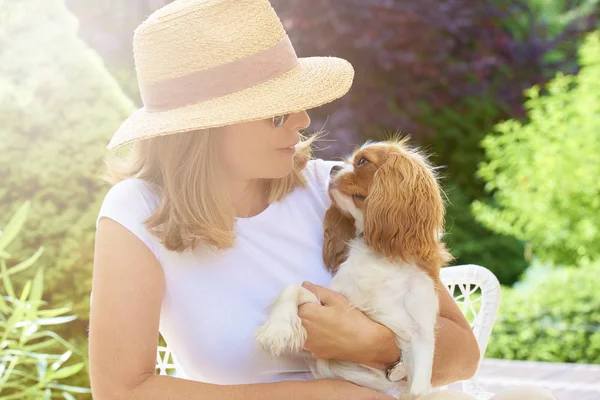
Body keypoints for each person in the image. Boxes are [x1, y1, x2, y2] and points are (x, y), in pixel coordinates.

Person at [88, 1, 555, 399]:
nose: (303, 119)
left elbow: (461, 354)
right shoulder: (137, 212)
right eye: (276, 113)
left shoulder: (335, 192)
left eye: (298, 101)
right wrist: (324, 394)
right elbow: (123, 389)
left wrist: (377, 346)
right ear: (202, 129)